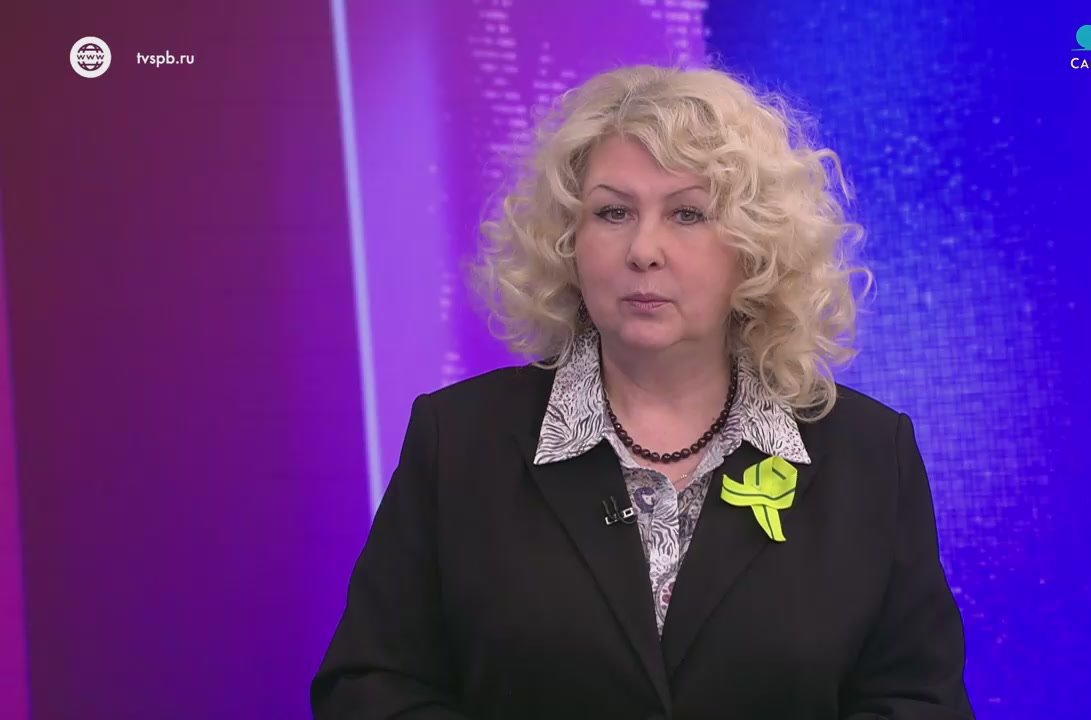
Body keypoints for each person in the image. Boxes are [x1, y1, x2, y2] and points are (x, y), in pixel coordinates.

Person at [311, 64, 972, 719]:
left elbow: (918, 702)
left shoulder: (868, 453)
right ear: (568, 242)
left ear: (756, 246)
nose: (644, 249)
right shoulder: (457, 439)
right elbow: (368, 687)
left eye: (687, 213)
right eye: (612, 212)